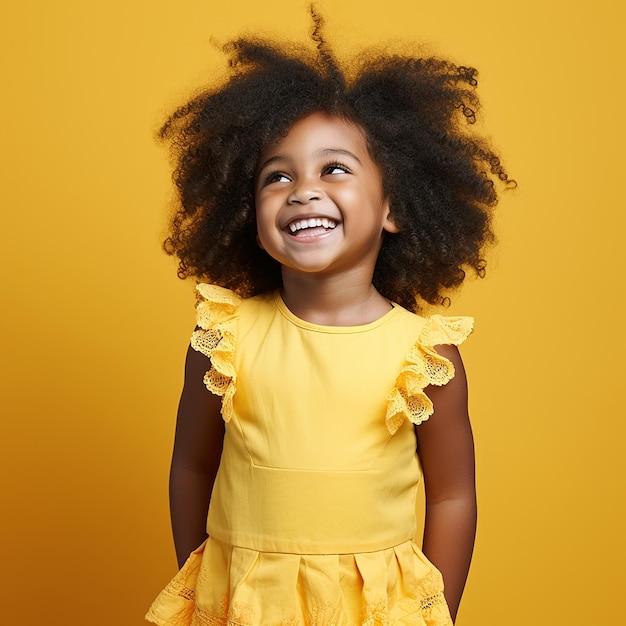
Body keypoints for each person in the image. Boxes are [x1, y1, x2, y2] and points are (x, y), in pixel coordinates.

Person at [146, 8, 512, 626]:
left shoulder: (424, 355)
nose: (302, 189)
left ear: (393, 205)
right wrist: (206, 586)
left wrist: (433, 612)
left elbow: (453, 495)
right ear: (249, 215)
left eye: (334, 168)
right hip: (245, 605)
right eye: (276, 176)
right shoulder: (224, 339)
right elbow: (192, 465)